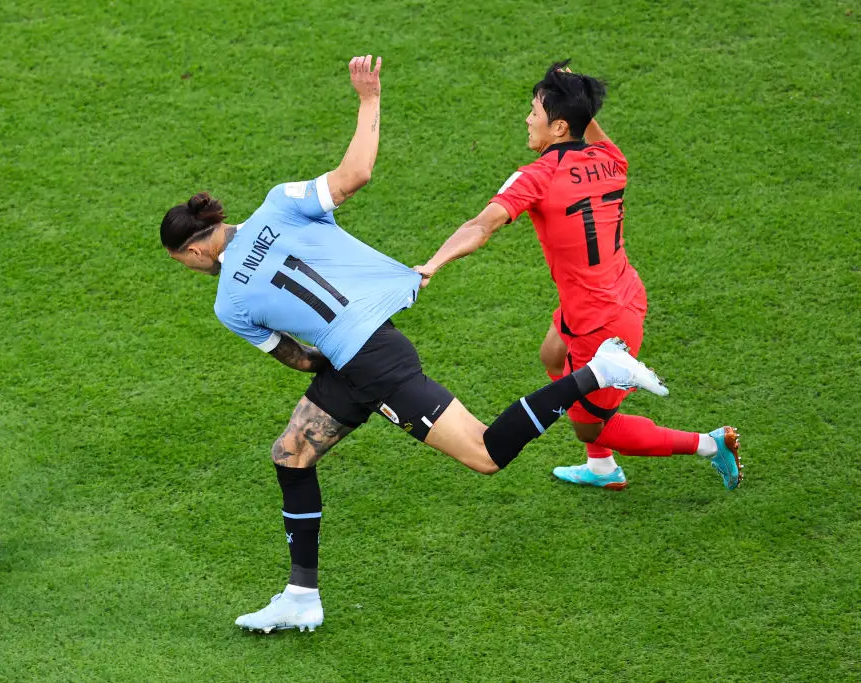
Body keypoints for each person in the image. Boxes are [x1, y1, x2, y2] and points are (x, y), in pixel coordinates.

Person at [160, 55, 669, 634]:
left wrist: (331, 359)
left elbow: (297, 358)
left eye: (182, 263)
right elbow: (355, 174)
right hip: (365, 355)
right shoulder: (279, 202)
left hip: (369, 364)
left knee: (485, 454)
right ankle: (301, 596)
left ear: (194, 252)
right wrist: (369, 99)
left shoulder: (229, 303)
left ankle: (597, 372)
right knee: (291, 454)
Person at [415, 60, 742, 492]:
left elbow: (482, 225)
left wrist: (433, 263)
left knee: (592, 427)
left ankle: (709, 444)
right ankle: (602, 466)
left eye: (534, 111)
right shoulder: (611, 159)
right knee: (553, 356)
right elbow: (588, 129)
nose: (527, 119)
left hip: (598, 322)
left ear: (559, 126)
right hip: (618, 293)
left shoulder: (537, 176)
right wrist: (576, 93)